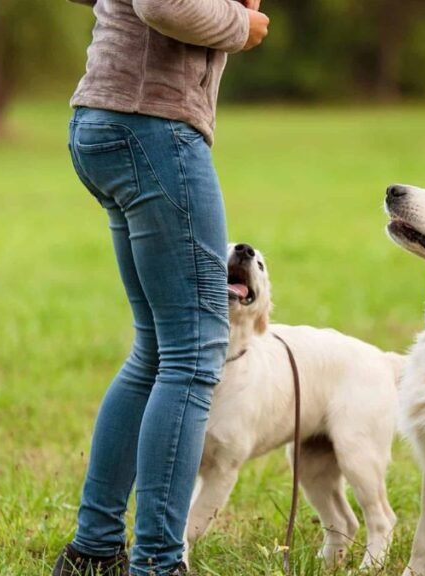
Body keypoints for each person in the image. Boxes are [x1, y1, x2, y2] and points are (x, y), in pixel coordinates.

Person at [53, 1, 269, 575]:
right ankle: (157, 563)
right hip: (151, 123)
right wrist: (237, 24)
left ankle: (94, 552)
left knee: (157, 349)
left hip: (110, 120)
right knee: (194, 352)